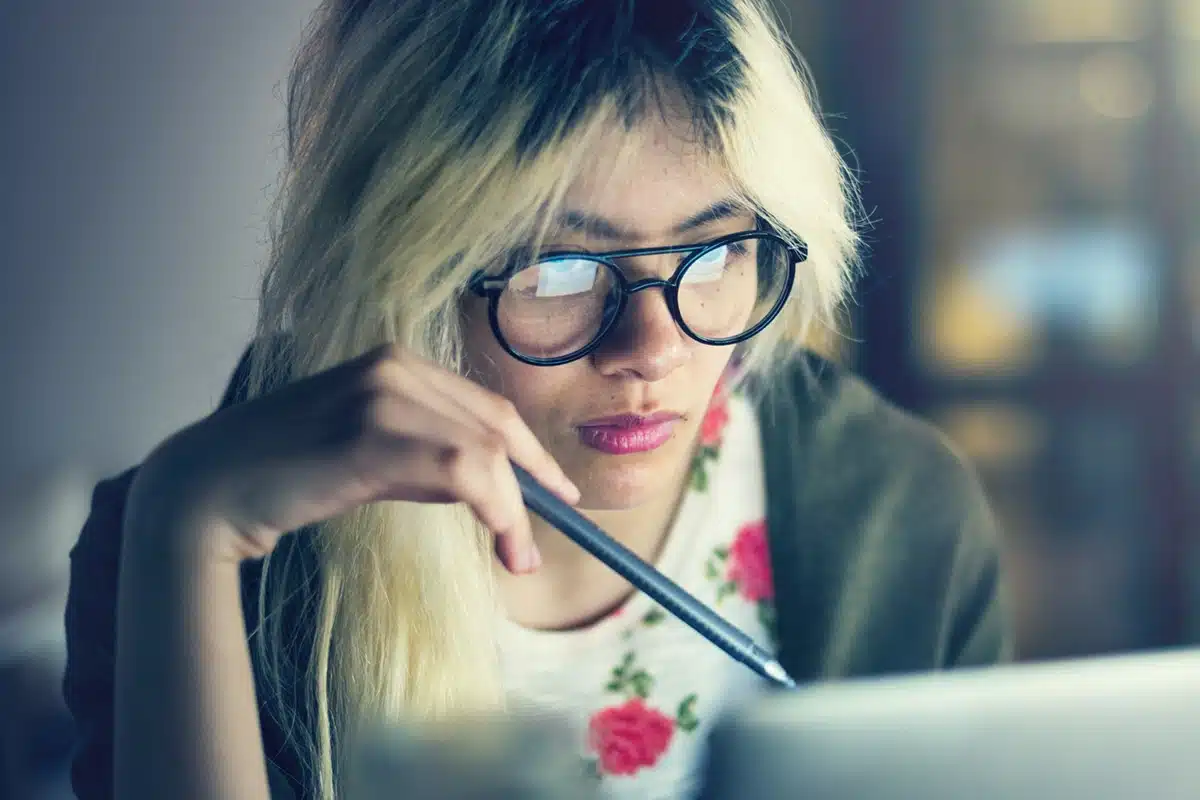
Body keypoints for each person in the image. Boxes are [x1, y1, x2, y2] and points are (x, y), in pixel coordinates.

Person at [62, 1, 1012, 798]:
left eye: (719, 252)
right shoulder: (184, 545)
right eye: (558, 270)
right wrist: (187, 530)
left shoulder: (900, 507)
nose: (654, 350)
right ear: (406, 272)